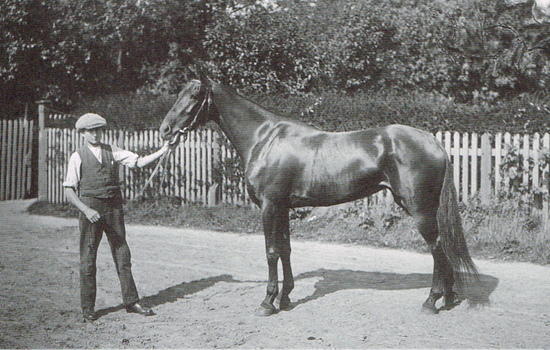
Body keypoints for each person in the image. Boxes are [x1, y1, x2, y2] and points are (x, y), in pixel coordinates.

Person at [63, 113, 170, 322]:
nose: (95, 134)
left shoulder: (112, 150)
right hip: (90, 210)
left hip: (113, 209)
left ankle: (131, 301)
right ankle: (88, 307)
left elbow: (138, 162)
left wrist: (164, 150)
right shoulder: (77, 156)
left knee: (122, 254)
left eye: (99, 130)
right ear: (83, 133)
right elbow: (69, 191)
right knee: (88, 257)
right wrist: (86, 210)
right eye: (91, 131)